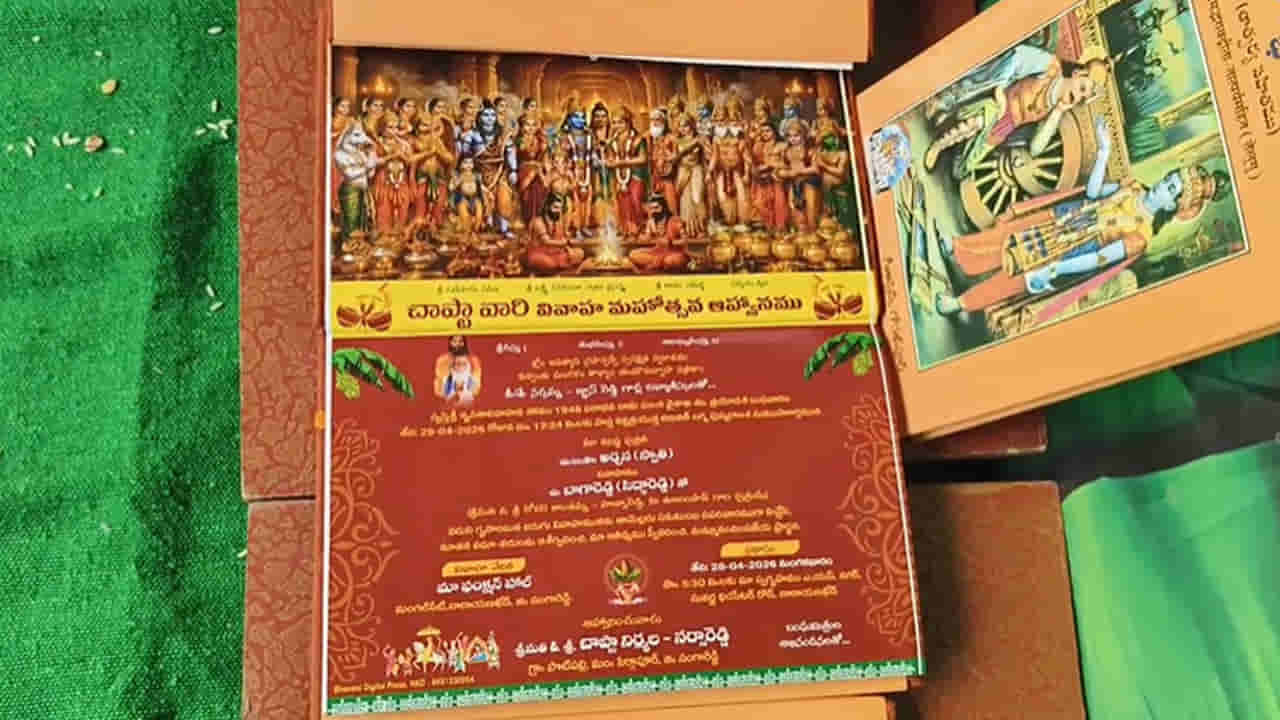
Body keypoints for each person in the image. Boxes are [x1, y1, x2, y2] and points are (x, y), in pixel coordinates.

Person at [933, 117, 1232, 314]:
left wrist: (1057, 270)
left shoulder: (1141, 237)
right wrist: (1103, 152)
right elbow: (1093, 191)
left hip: (1072, 251)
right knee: (1005, 237)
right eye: (1168, 179)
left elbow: (1099, 259)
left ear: (1172, 205)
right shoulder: (1133, 188)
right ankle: (960, 253)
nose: (1162, 186)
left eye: (1171, 189)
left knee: (1014, 278)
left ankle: (960, 303)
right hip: (1063, 217)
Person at [924, 45, 1112, 179]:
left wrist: (1057, 113)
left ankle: (953, 130)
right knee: (980, 120)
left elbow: (1035, 149)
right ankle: (938, 145)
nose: (1077, 96)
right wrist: (1000, 89)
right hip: (997, 104)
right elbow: (1018, 56)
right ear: (1077, 74)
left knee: (960, 171)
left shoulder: (1055, 109)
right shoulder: (1050, 67)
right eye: (1082, 88)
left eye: (1083, 98)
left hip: (1002, 129)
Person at [604, 107, 649, 235]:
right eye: (614, 122)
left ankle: (639, 227)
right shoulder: (612, 141)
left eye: (620, 122)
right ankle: (626, 229)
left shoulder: (638, 139)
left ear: (628, 122)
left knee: (635, 199)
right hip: (619, 175)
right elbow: (610, 158)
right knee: (622, 202)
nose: (617, 125)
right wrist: (609, 162)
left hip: (635, 174)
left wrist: (623, 162)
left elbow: (643, 158)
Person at [526, 193, 585, 274]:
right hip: (539, 254)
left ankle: (560, 263)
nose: (558, 211)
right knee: (548, 263)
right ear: (547, 207)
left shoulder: (558, 221)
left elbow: (562, 239)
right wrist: (565, 243)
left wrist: (569, 249)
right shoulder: (538, 222)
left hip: (556, 253)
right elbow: (546, 241)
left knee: (580, 253)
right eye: (555, 207)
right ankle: (559, 264)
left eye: (560, 208)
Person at [628, 194, 688, 273]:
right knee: (633, 254)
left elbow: (685, 240)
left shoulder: (675, 220)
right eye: (651, 208)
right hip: (657, 252)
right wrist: (637, 234)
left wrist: (671, 242)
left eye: (656, 208)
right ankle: (658, 264)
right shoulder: (651, 222)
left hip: (674, 253)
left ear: (664, 207)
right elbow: (646, 238)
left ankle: (656, 265)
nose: (653, 211)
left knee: (669, 261)